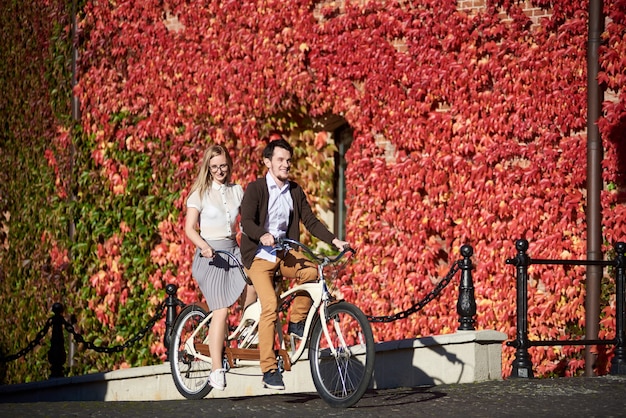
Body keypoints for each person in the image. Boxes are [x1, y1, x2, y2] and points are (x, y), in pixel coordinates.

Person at [240, 137, 350, 390]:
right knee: (269, 306)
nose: (286, 164)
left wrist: (334, 240)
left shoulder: (294, 190)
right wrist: (262, 235)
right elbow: (246, 222)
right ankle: (269, 370)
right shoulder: (256, 188)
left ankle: (297, 321)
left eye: (288, 160)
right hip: (259, 256)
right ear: (268, 162)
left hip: (284, 254)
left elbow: (310, 221)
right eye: (280, 160)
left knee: (311, 272)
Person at [185, 144, 256, 391]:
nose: (219, 170)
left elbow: (246, 223)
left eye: (223, 165)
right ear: (208, 167)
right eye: (214, 166)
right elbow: (189, 228)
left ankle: (247, 333)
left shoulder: (237, 191)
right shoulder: (199, 193)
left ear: (229, 164)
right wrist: (203, 246)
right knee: (222, 310)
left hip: (233, 250)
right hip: (210, 256)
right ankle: (216, 370)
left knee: (255, 281)